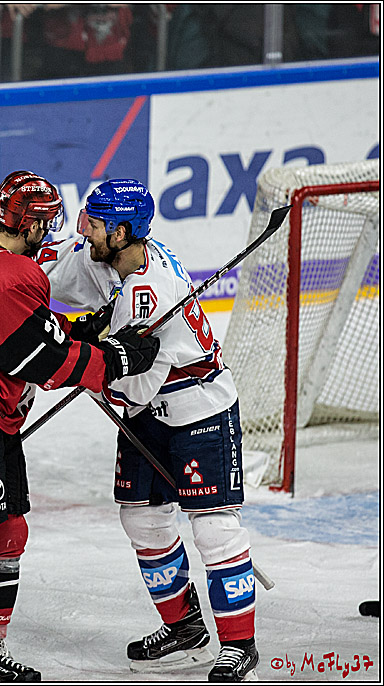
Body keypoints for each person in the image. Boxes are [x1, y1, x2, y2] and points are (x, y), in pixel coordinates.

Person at [0, 171, 161, 682]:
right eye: (44, 222)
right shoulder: (12, 275)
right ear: (25, 223)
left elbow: (26, 328)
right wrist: (110, 358)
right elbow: (34, 357)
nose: (51, 232)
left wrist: (79, 329)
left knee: (9, 531)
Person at [74, 179, 259, 682]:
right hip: (150, 414)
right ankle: (185, 627)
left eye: (93, 223)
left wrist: (77, 366)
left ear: (120, 232)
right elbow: (58, 282)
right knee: (142, 520)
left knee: (213, 527)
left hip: (197, 409)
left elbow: (133, 389)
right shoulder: (121, 257)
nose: (83, 229)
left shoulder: (150, 294)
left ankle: (239, 644)